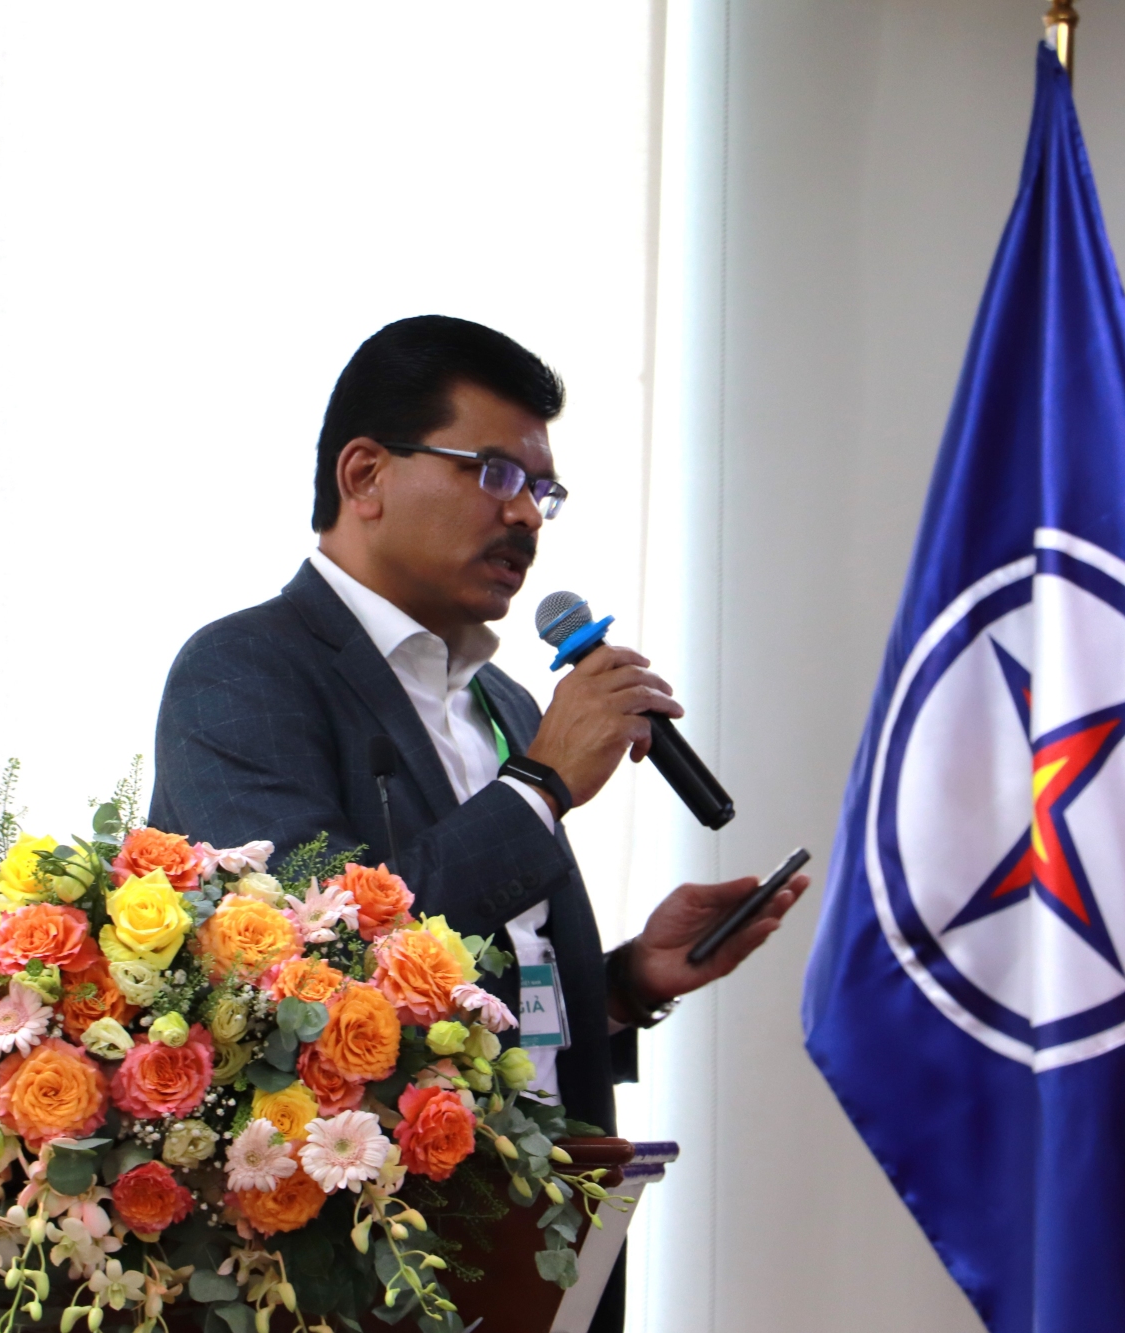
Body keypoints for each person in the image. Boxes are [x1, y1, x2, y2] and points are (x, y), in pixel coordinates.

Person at [148, 314, 807, 1327]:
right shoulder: (244, 671)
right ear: (365, 474)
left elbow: (477, 988)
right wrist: (539, 786)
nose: (527, 516)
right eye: (494, 473)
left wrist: (624, 984)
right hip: (360, 1260)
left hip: (543, 1238)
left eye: (542, 490)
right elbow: (312, 967)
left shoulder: (500, 702)